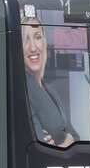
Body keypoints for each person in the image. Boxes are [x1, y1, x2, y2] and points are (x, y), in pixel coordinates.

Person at [21, 12, 77, 147]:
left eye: (37, 37)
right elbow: (40, 146)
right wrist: (67, 141)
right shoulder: (23, 91)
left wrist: (66, 141)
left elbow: (75, 135)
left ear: (44, 42)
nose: (33, 47)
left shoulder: (51, 90)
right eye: (25, 39)